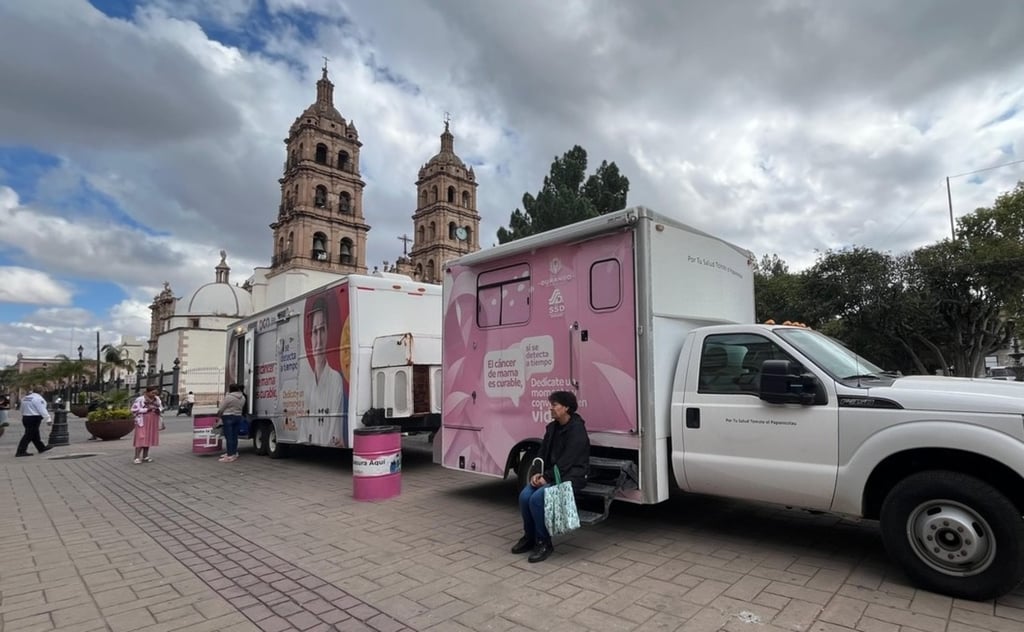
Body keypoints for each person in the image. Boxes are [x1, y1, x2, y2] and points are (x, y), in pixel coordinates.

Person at [512, 390, 590, 563]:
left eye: (554, 405)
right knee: (525, 496)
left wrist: (546, 478)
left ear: (566, 407)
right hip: (552, 474)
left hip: (572, 475)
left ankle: (544, 542)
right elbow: (542, 452)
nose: (550, 408)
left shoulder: (577, 430)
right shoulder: (552, 427)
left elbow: (568, 461)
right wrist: (537, 473)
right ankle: (529, 537)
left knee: (537, 499)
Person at [300, 295, 345, 444]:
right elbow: (303, 434)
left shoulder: (335, 380)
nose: (318, 341)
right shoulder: (307, 384)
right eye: (314, 332)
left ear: (328, 333)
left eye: (322, 330)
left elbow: (334, 434)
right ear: (310, 337)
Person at [130, 386, 164, 464]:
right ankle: (137, 457)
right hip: (143, 420)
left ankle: (145, 456)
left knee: (148, 438)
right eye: (152, 393)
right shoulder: (140, 399)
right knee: (141, 437)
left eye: (155, 393)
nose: (154, 394)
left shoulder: (157, 399)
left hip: (153, 419)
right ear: (147, 392)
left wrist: (157, 409)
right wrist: (147, 409)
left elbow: (161, 407)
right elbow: (134, 409)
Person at [15, 387, 52, 457]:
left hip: (25, 417)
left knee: (35, 434)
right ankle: (20, 451)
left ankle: (41, 447)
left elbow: (21, 409)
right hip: (34, 418)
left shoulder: (25, 398)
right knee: (28, 435)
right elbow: (42, 409)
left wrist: (24, 414)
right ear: (41, 392)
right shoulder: (38, 399)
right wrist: (48, 418)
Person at [216, 384, 246, 463]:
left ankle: (230, 455)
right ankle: (234, 453)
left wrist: (218, 416)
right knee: (234, 436)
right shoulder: (243, 397)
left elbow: (221, 408)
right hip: (238, 417)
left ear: (231, 389)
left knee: (229, 436)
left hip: (228, 417)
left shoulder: (229, 397)